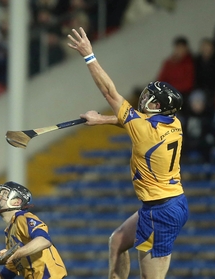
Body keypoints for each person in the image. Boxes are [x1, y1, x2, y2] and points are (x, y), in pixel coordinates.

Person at [66, 27, 189, 279]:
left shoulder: (144, 129)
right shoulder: (173, 123)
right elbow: (136, 123)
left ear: (159, 107)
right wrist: (100, 120)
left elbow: (109, 93)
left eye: (152, 101)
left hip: (161, 210)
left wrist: (89, 55)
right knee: (117, 241)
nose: (146, 101)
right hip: (167, 201)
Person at [0, 181, 67, 279]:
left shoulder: (23, 217)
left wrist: (13, 254)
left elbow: (44, 241)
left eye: (4, 193)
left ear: (17, 201)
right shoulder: (10, 234)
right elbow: (4, 277)